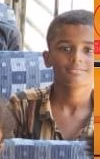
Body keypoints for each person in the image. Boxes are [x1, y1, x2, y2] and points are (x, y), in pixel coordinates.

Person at [9, 10, 95, 141]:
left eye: (89, 50)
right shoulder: (21, 106)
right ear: (47, 58)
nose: (77, 58)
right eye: (66, 49)